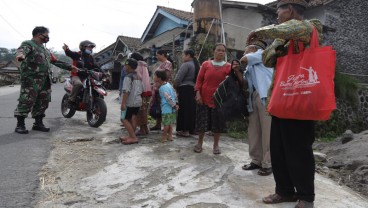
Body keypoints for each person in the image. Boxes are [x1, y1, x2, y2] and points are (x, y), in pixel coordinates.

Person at [246, 0, 321, 207]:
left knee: (299, 151)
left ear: (289, 10)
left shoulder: (309, 26)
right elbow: (269, 59)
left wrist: (260, 32)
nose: (276, 14)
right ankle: (284, 191)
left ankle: (306, 197)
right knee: (278, 150)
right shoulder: (283, 37)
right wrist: (278, 41)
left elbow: (292, 28)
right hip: (281, 101)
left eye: (278, 10)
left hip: (301, 101)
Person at [14, 26, 78, 134]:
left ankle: (38, 123)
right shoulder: (28, 44)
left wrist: (70, 67)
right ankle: (20, 125)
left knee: (43, 102)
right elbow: (21, 50)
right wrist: (20, 55)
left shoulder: (45, 50)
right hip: (31, 80)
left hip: (44, 80)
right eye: (46, 35)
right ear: (39, 35)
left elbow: (55, 61)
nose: (48, 38)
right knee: (26, 100)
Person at [193, 43, 242, 154]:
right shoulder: (206, 64)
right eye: (218, 50)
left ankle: (216, 145)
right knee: (202, 123)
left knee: (217, 124)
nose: (221, 52)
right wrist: (197, 93)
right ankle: (199, 143)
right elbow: (199, 80)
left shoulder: (228, 67)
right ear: (213, 51)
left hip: (219, 99)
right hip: (203, 98)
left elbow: (233, 82)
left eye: (223, 51)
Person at [237, 40, 274, 176]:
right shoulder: (252, 65)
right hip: (253, 97)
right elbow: (245, 83)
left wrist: (241, 59)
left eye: (245, 49)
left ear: (252, 48)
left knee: (267, 132)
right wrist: (237, 71)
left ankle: (268, 163)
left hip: (265, 95)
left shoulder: (262, 53)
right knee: (254, 131)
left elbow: (244, 59)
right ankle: (256, 160)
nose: (244, 52)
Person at [62, 40, 99, 105]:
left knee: (96, 84)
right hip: (76, 75)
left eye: (92, 48)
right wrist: (66, 49)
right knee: (78, 84)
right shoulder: (77, 55)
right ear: (83, 47)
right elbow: (70, 53)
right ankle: (71, 99)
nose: (91, 49)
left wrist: (104, 73)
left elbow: (96, 66)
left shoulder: (91, 57)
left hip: (87, 76)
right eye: (89, 47)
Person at [173, 49, 200, 137]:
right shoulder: (196, 65)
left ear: (188, 56)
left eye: (183, 55)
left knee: (184, 110)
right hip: (193, 89)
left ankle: (185, 130)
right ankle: (192, 129)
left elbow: (178, 79)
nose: (182, 57)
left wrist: (175, 87)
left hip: (185, 89)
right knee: (191, 110)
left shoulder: (186, 64)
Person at [119, 58, 143, 145]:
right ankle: (131, 135)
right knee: (133, 117)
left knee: (123, 119)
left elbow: (126, 91)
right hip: (137, 101)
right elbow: (142, 89)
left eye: (125, 66)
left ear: (128, 66)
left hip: (129, 102)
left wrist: (123, 103)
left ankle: (133, 137)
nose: (124, 67)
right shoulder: (139, 76)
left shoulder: (127, 77)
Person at [149, 49, 173, 131]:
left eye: (157, 55)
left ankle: (166, 126)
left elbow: (166, 76)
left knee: (164, 106)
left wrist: (159, 85)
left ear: (163, 55)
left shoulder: (167, 63)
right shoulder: (162, 64)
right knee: (158, 106)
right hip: (158, 87)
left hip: (162, 87)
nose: (156, 57)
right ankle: (158, 124)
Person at [130, 52, 152, 136]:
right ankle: (145, 128)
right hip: (146, 90)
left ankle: (142, 129)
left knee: (139, 111)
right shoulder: (144, 65)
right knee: (144, 109)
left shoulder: (137, 66)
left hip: (139, 90)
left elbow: (137, 77)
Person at [154, 70, 178, 142]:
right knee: (170, 123)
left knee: (165, 124)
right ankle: (170, 136)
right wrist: (176, 104)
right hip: (172, 108)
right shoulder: (169, 84)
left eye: (155, 76)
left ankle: (164, 137)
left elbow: (168, 98)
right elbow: (174, 94)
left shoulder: (162, 88)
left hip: (166, 108)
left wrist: (173, 105)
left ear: (159, 78)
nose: (154, 77)